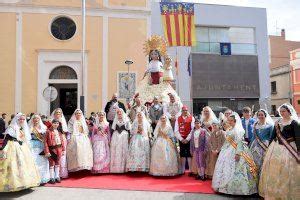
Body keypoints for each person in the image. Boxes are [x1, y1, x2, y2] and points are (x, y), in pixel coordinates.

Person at [259, 104, 300, 199]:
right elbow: (273, 136)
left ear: (289, 111)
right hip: (276, 147)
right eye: (281, 111)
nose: (282, 113)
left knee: (288, 169)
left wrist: (299, 150)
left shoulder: (294, 123)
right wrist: (268, 147)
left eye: (284, 111)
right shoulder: (277, 122)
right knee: (274, 168)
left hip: (290, 148)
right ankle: (274, 192)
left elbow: (298, 138)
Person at [212, 112, 258, 195]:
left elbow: (239, 142)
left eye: (231, 120)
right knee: (225, 168)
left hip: (236, 150)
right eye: (229, 120)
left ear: (235, 121)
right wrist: (222, 150)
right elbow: (226, 142)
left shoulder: (239, 130)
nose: (229, 122)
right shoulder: (229, 129)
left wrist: (238, 153)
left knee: (237, 169)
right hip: (227, 151)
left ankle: (237, 189)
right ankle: (224, 188)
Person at [0, 113, 40, 192]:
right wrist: (3, 148)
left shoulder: (22, 128)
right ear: (17, 119)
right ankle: (12, 184)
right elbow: (6, 138)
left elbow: (24, 139)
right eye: (20, 119)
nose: (22, 120)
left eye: (23, 119)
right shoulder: (12, 127)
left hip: (22, 147)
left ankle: (23, 183)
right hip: (12, 146)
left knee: (23, 164)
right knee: (13, 165)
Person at [250, 109, 274, 175]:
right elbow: (253, 137)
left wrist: (271, 147)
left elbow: (272, 137)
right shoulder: (255, 125)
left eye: (262, 115)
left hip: (265, 145)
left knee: (264, 162)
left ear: (265, 115)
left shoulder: (270, 126)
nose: (260, 116)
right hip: (255, 146)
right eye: (259, 115)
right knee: (255, 162)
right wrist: (249, 147)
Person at [29, 114, 50, 185]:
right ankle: (34, 179)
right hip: (32, 145)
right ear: (32, 119)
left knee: (42, 162)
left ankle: (42, 178)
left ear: (39, 119)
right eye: (34, 118)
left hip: (41, 145)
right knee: (33, 161)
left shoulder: (44, 127)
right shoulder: (29, 127)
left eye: (37, 118)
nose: (36, 120)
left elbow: (46, 138)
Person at [174, 105, 195, 174]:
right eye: (183, 110)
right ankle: (182, 170)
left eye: (186, 110)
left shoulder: (191, 118)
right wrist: (181, 139)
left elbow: (193, 129)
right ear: (181, 111)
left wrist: (188, 139)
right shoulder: (178, 118)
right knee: (182, 154)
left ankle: (190, 170)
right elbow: (176, 130)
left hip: (189, 139)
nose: (185, 112)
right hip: (181, 138)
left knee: (189, 154)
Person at [44, 119, 65, 184]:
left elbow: (62, 141)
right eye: (54, 123)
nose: (56, 124)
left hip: (59, 148)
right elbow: (45, 142)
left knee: (58, 162)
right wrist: (47, 151)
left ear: (58, 124)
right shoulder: (48, 131)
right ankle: (52, 177)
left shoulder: (59, 132)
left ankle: (57, 176)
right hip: (52, 149)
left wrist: (63, 149)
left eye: (57, 123)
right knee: (51, 163)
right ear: (52, 123)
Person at [110, 109, 131, 173]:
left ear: (122, 113)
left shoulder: (127, 120)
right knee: (116, 150)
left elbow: (129, 130)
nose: (119, 113)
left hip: (124, 136)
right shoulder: (115, 120)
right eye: (118, 112)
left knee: (123, 150)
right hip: (116, 136)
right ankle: (116, 169)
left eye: (120, 112)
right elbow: (113, 129)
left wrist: (129, 138)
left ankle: (123, 168)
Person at [51, 108, 69, 179]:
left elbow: (65, 132)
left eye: (59, 113)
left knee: (62, 156)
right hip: (53, 141)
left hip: (62, 140)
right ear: (54, 114)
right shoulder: (51, 121)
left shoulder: (63, 121)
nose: (58, 114)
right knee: (54, 156)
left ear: (61, 114)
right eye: (57, 112)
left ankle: (61, 173)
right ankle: (54, 174)